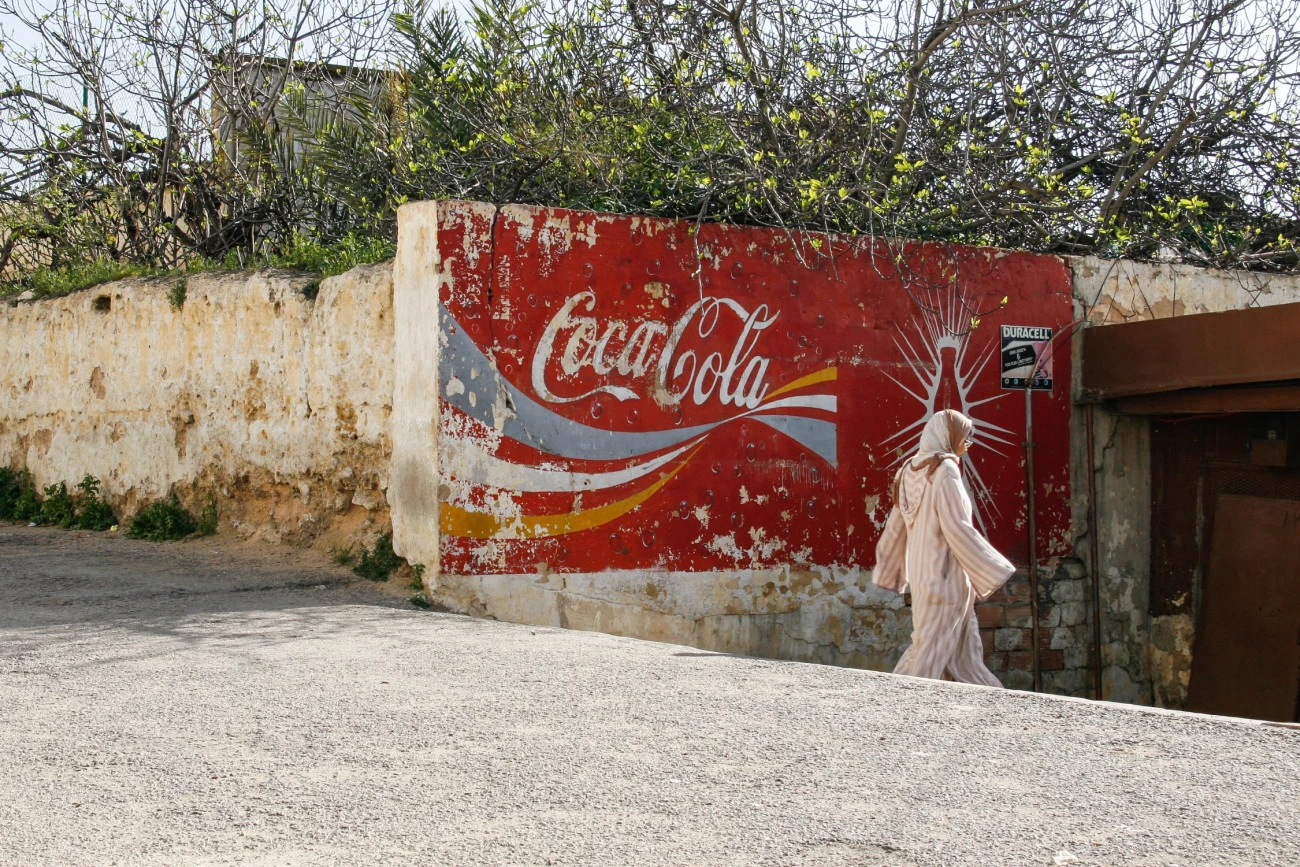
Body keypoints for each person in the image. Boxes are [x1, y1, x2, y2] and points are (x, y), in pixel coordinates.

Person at [873, 409, 1015, 686]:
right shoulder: (945, 471)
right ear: (948, 437)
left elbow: (895, 525)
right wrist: (994, 569)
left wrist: (889, 568)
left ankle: (990, 701)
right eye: (965, 437)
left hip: (923, 575)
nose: (967, 444)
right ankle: (900, 703)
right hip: (947, 577)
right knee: (929, 654)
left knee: (963, 653)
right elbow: (958, 527)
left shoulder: (908, 470)